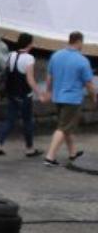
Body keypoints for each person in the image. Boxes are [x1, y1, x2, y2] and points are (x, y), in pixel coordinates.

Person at [43, 31, 96, 167]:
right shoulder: (82, 60)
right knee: (63, 127)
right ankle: (50, 157)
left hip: (58, 96)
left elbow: (49, 76)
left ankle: (73, 152)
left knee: (66, 125)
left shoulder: (56, 55)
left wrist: (48, 91)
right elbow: (89, 83)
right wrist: (94, 96)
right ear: (79, 42)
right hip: (72, 99)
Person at [0, 33, 40, 156]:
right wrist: (39, 92)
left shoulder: (11, 55)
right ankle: (29, 148)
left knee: (9, 119)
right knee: (28, 121)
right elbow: (30, 79)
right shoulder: (29, 58)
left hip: (11, 92)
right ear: (29, 44)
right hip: (24, 95)